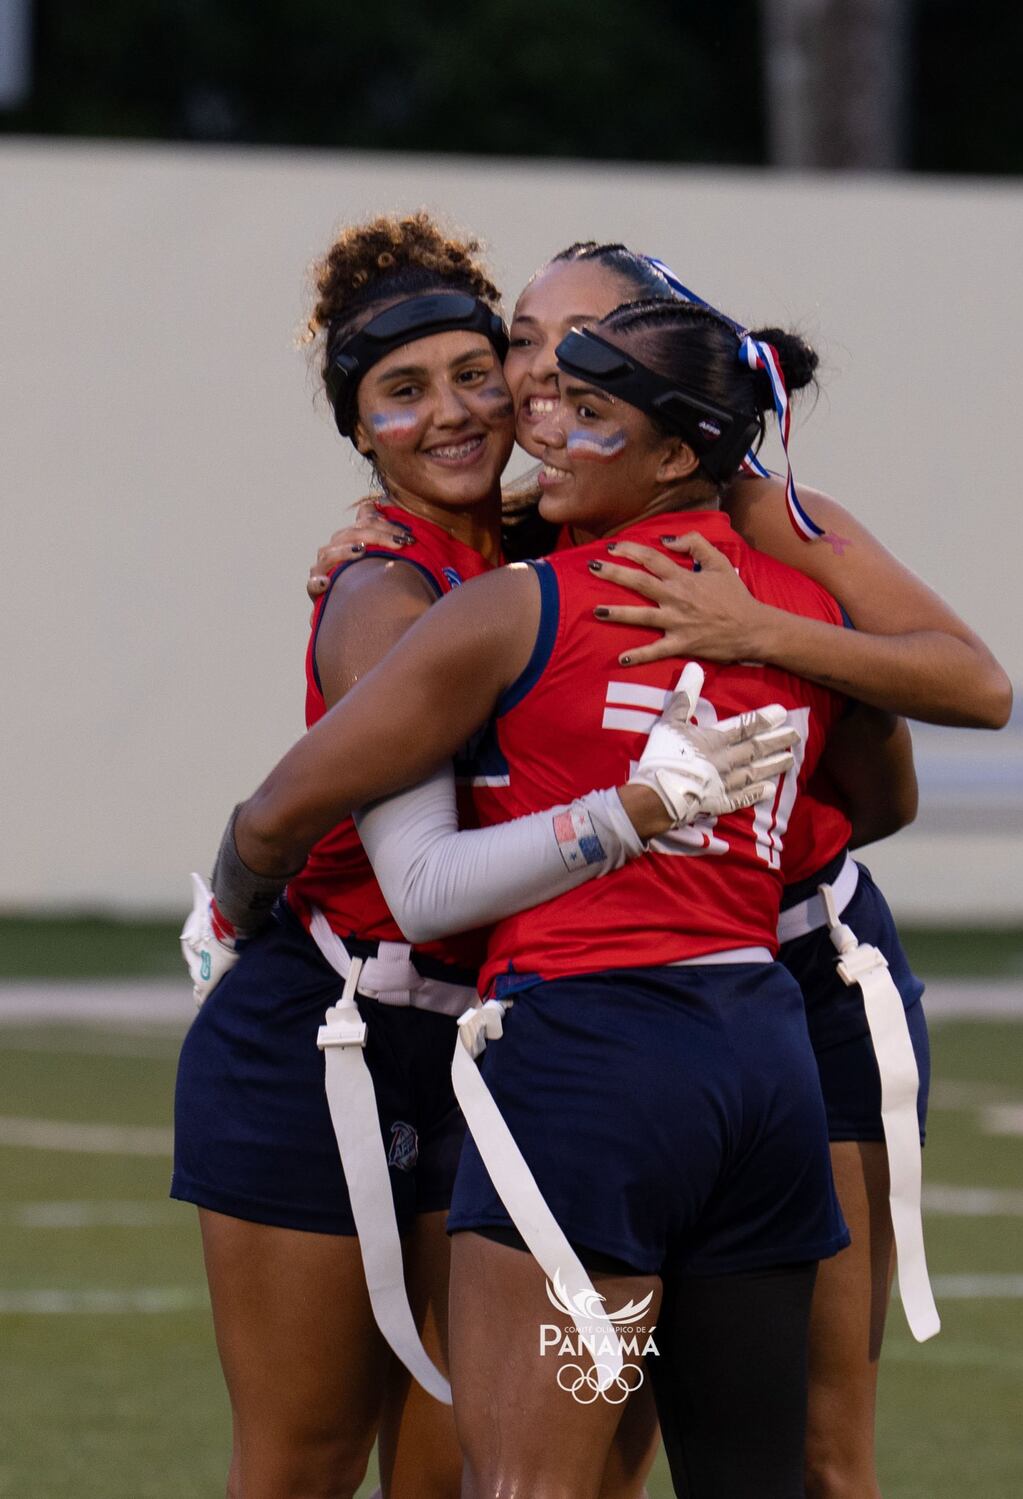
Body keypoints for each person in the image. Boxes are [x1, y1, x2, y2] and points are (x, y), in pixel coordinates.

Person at [308, 240, 1012, 1497]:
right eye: (525, 341)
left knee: (805, 1446)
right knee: (607, 1437)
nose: (537, 378)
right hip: (664, 1026)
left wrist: (765, 632)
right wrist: (392, 554)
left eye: (582, 354)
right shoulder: (539, 535)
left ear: (671, 410)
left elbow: (959, 704)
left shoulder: (760, 517)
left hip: (788, 977)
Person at [202, 296, 861, 1499]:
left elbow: (344, 850)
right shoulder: (802, 599)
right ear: (357, 432)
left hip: (578, 1063)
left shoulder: (523, 592)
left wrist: (630, 816)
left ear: (673, 451)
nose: (533, 423)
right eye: (405, 391)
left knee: (520, 1480)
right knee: (756, 1472)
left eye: (574, 404)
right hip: (745, 1051)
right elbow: (893, 778)